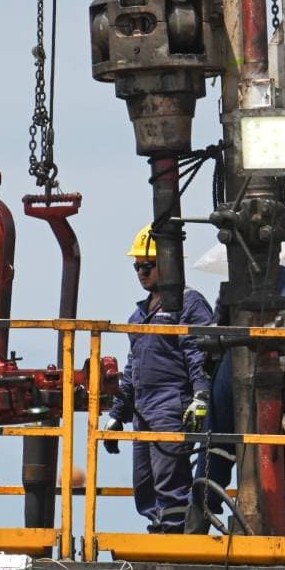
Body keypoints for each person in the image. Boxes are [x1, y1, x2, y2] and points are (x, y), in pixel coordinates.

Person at [103, 224, 213, 533]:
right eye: (137, 266)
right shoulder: (137, 316)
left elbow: (199, 354)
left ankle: (175, 536)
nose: (141, 272)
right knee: (145, 482)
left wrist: (201, 396)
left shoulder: (188, 304)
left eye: (147, 265)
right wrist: (116, 415)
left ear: (168, 263)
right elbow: (132, 369)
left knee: (169, 478)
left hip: (170, 403)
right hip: (143, 408)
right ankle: (158, 532)